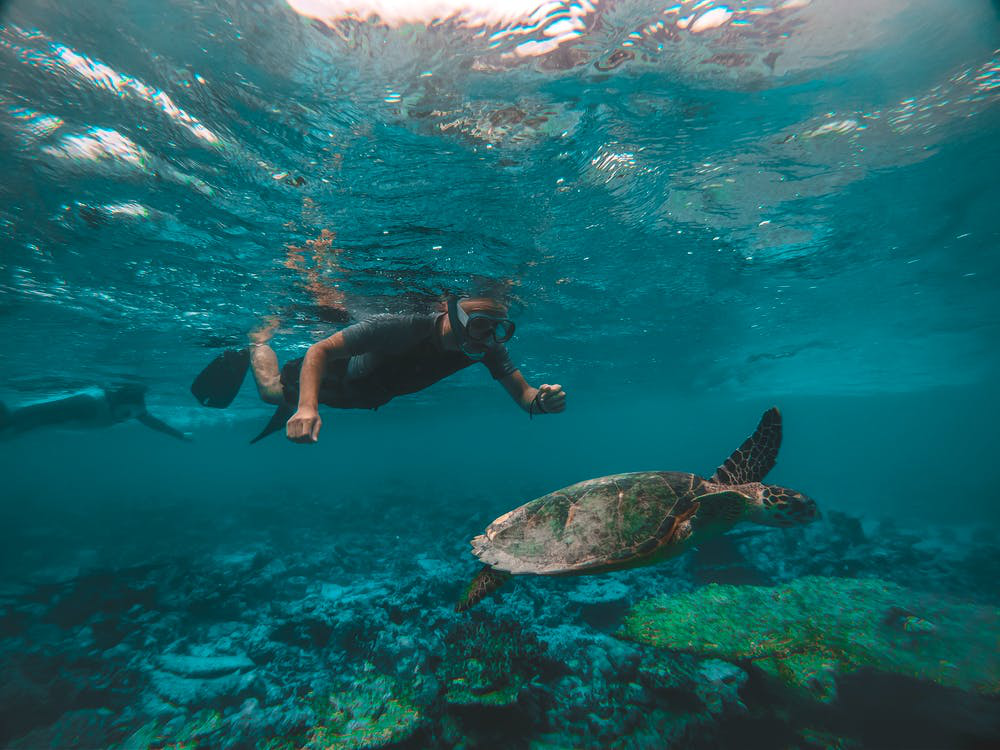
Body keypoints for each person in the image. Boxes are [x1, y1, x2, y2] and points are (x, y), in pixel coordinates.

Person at [191, 296, 567, 443]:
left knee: (281, 399)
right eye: (482, 324)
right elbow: (318, 351)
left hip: (371, 394)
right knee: (270, 391)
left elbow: (524, 395)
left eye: (498, 330)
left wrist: (542, 402)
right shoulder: (400, 325)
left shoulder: (486, 348)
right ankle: (258, 342)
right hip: (338, 375)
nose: (488, 339)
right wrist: (308, 407)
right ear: (455, 316)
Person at [0, 384, 191, 441]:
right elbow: (43, 417)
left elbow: (154, 423)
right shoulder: (88, 406)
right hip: (25, 418)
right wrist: (17, 430)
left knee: (11, 423)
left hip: (28, 419)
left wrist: (179, 435)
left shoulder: (132, 408)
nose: (133, 416)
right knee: (10, 422)